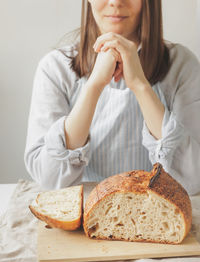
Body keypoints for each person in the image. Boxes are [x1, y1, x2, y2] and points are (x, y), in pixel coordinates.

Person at [24, 0, 200, 195]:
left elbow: (192, 179)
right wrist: (94, 86)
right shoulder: (55, 68)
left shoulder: (182, 65)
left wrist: (140, 85)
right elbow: (50, 179)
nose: (116, 2)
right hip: (83, 217)